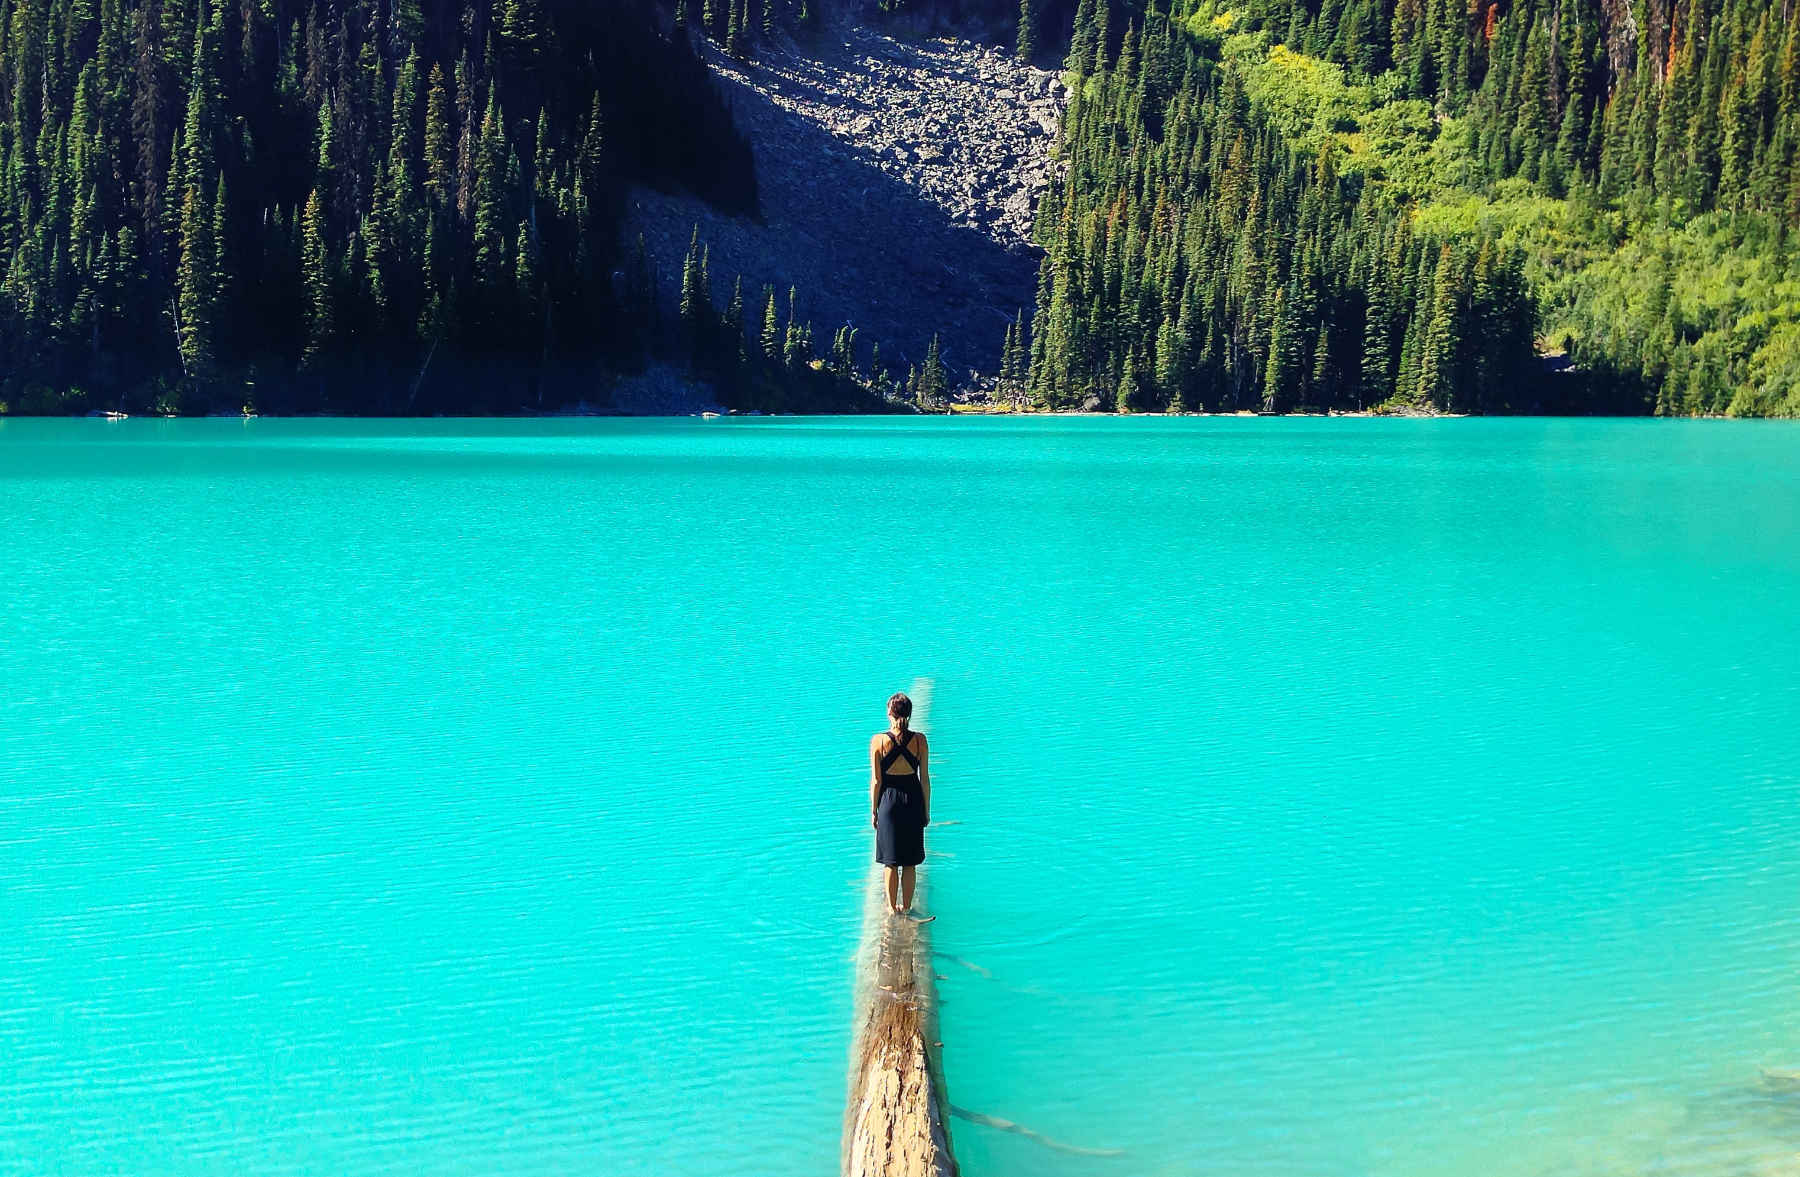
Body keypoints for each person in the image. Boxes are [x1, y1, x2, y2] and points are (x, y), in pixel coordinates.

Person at [870, 691, 930, 917]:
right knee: (910, 862)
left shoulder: (878, 741)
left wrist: (874, 810)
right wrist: (927, 810)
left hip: (888, 802)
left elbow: (876, 781)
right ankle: (907, 906)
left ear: (889, 713)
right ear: (910, 714)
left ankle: (891, 907)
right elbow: (925, 779)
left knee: (891, 861)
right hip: (913, 800)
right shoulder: (920, 740)